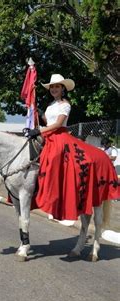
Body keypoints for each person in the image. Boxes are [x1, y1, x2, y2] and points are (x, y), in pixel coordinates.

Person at [28, 74, 119, 220]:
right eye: (52, 86)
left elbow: (57, 124)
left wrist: (39, 130)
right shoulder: (51, 105)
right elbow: (47, 120)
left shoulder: (66, 105)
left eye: (57, 86)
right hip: (47, 135)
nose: (54, 89)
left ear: (63, 88)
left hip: (59, 136)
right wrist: (37, 112)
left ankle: (55, 195)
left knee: (54, 158)